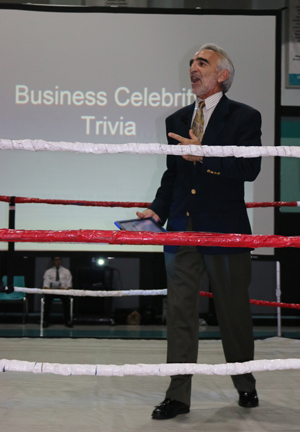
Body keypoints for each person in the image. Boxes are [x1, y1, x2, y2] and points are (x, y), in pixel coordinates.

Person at [137, 43, 262, 420]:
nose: (193, 67)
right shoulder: (176, 119)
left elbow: (250, 169)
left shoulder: (244, 116)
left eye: (202, 63)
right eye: (192, 62)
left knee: (234, 313)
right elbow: (173, 175)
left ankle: (245, 384)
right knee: (178, 313)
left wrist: (205, 155)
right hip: (181, 228)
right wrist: (156, 210)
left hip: (225, 230)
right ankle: (178, 395)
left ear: (222, 75)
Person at [43, 256, 73, 328]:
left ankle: (68, 321)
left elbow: (69, 285)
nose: (58, 261)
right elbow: (45, 285)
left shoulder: (66, 271)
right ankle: (45, 321)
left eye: (59, 259)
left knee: (66, 300)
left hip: (63, 291)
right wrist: (51, 290)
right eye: (56, 260)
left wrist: (65, 290)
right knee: (47, 299)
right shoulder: (48, 272)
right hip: (52, 291)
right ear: (53, 261)